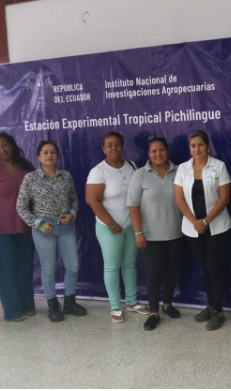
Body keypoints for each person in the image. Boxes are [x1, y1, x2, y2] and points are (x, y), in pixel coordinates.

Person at [16, 141, 87, 322]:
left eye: (53, 152)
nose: (49, 155)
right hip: (43, 227)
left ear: (58, 156)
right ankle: (53, 305)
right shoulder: (31, 178)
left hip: (64, 226)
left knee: (73, 266)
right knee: (48, 268)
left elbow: (74, 199)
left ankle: (70, 302)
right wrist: (38, 224)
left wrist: (72, 214)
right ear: (38, 157)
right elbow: (21, 206)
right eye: (45, 152)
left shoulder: (66, 176)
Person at [86, 132, 149, 323]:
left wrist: (137, 226)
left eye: (117, 144)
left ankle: (132, 302)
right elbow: (92, 200)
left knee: (130, 264)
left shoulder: (131, 166)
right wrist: (111, 224)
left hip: (131, 226)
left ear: (122, 146)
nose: (114, 148)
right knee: (112, 267)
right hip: (110, 228)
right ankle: (115, 306)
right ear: (103, 149)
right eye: (109, 145)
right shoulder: (99, 171)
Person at [174, 130, 231, 331]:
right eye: (193, 145)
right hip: (193, 228)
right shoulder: (183, 169)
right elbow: (179, 198)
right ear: (189, 148)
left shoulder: (219, 166)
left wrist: (206, 221)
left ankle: (218, 311)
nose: (197, 149)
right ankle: (210, 306)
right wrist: (194, 221)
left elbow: (224, 198)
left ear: (208, 146)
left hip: (217, 226)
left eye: (200, 144)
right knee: (205, 268)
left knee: (214, 267)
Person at [127, 135, 184, 331]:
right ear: (148, 154)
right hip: (150, 236)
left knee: (171, 270)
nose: (158, 154)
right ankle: (153, 312)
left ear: (167, 151)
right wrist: (138, 232)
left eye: (161, 150)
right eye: (153, 151)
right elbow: (133, 205)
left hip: (176, 232)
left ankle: (167, 304)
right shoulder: (140, 174)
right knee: (153, 273)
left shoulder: (180, 171)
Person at [0, 132, 36, 322]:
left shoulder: (27, 166)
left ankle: (28, 305)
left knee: (25, 267)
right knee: (7, 269)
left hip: (25, 225)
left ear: (12, 145)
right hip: (1, 227)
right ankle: (13, 310)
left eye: (5, 145)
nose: (2, 150)